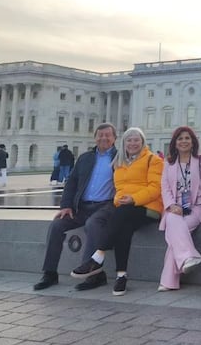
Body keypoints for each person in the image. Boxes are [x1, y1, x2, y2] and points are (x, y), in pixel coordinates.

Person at [70, 127, 163, 296]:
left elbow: (156, 188)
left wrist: (133, 199)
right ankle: (121, 276)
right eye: (129, 140)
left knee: (121, 213)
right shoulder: (119, 162)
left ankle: (98, 256)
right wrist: (119, 199)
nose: (133, 143)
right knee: (123, 229)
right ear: (124, 143)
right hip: (127, 210)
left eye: (136, 140)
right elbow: (119, 188)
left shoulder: (153, 160)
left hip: (150, 208)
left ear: (143, 142)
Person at [33, 124, 117, 291]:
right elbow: (71, 182)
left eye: (108, 135)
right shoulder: (85, 158)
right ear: (95, 137)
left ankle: (92, 275)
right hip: (82, 208)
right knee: (57, 225)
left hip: (105, 207)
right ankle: (50, 273)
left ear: (115, 138)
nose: (104, 138)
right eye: (100, 135)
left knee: (92, 225)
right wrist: (66, 205)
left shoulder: (120, 158)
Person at [158, 126, 201, 291]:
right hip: (175, 206)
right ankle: (188, 257)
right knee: (173, 221)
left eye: (187, 138)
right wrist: (171, 205)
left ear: (193, 142)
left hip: (197, 207)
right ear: (174, 143)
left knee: (175, 233)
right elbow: (165, 187)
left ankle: (169, 280)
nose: (183, 141)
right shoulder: (169, 163)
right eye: (180, 138)